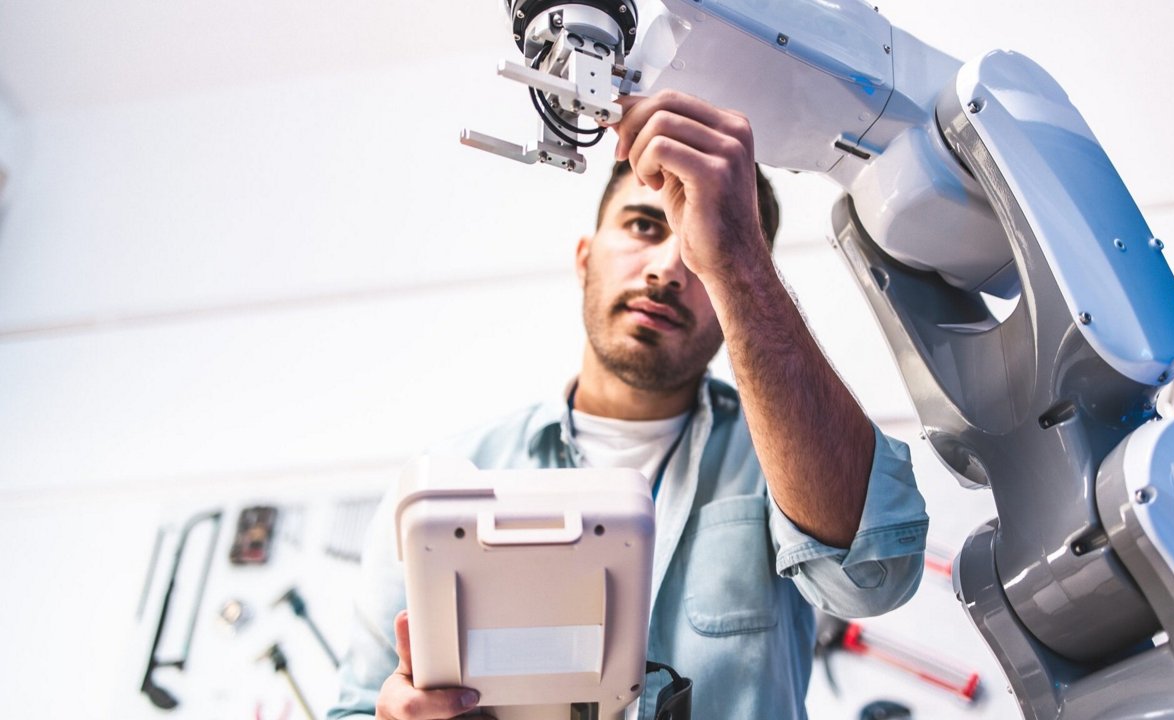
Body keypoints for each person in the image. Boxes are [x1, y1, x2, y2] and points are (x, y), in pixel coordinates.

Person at [328, 90, 928, 720]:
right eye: (644, 226)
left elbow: (875, 576)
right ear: (585, 259)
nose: (670, 269)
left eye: (701, 246)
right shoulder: (448, 478)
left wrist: (738, 262)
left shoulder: (781, 466)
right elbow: (355, 707)